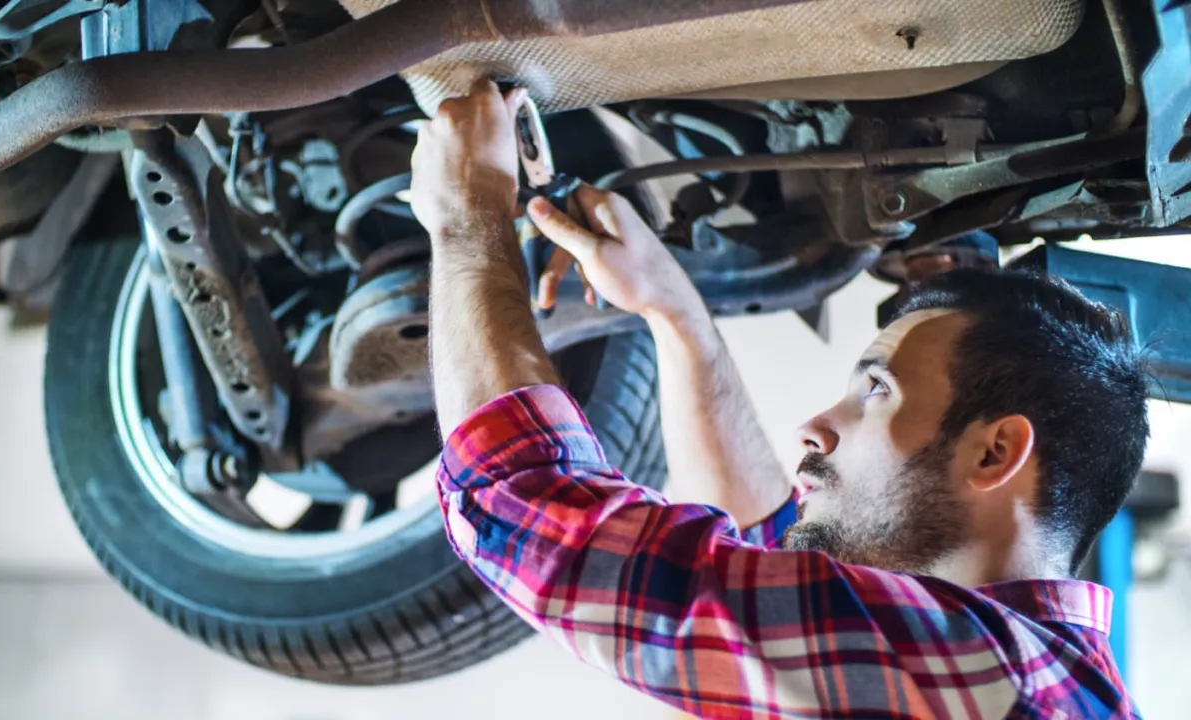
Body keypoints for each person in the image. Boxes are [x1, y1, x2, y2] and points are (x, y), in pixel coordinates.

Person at [411, 79, 1149, 719]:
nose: (814, 427)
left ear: (994, 451)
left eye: (875, 390)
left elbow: (519, 500)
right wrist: (674, 313)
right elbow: (762, 555)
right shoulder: (1028, 677)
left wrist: (469, 215)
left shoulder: (998, 678)